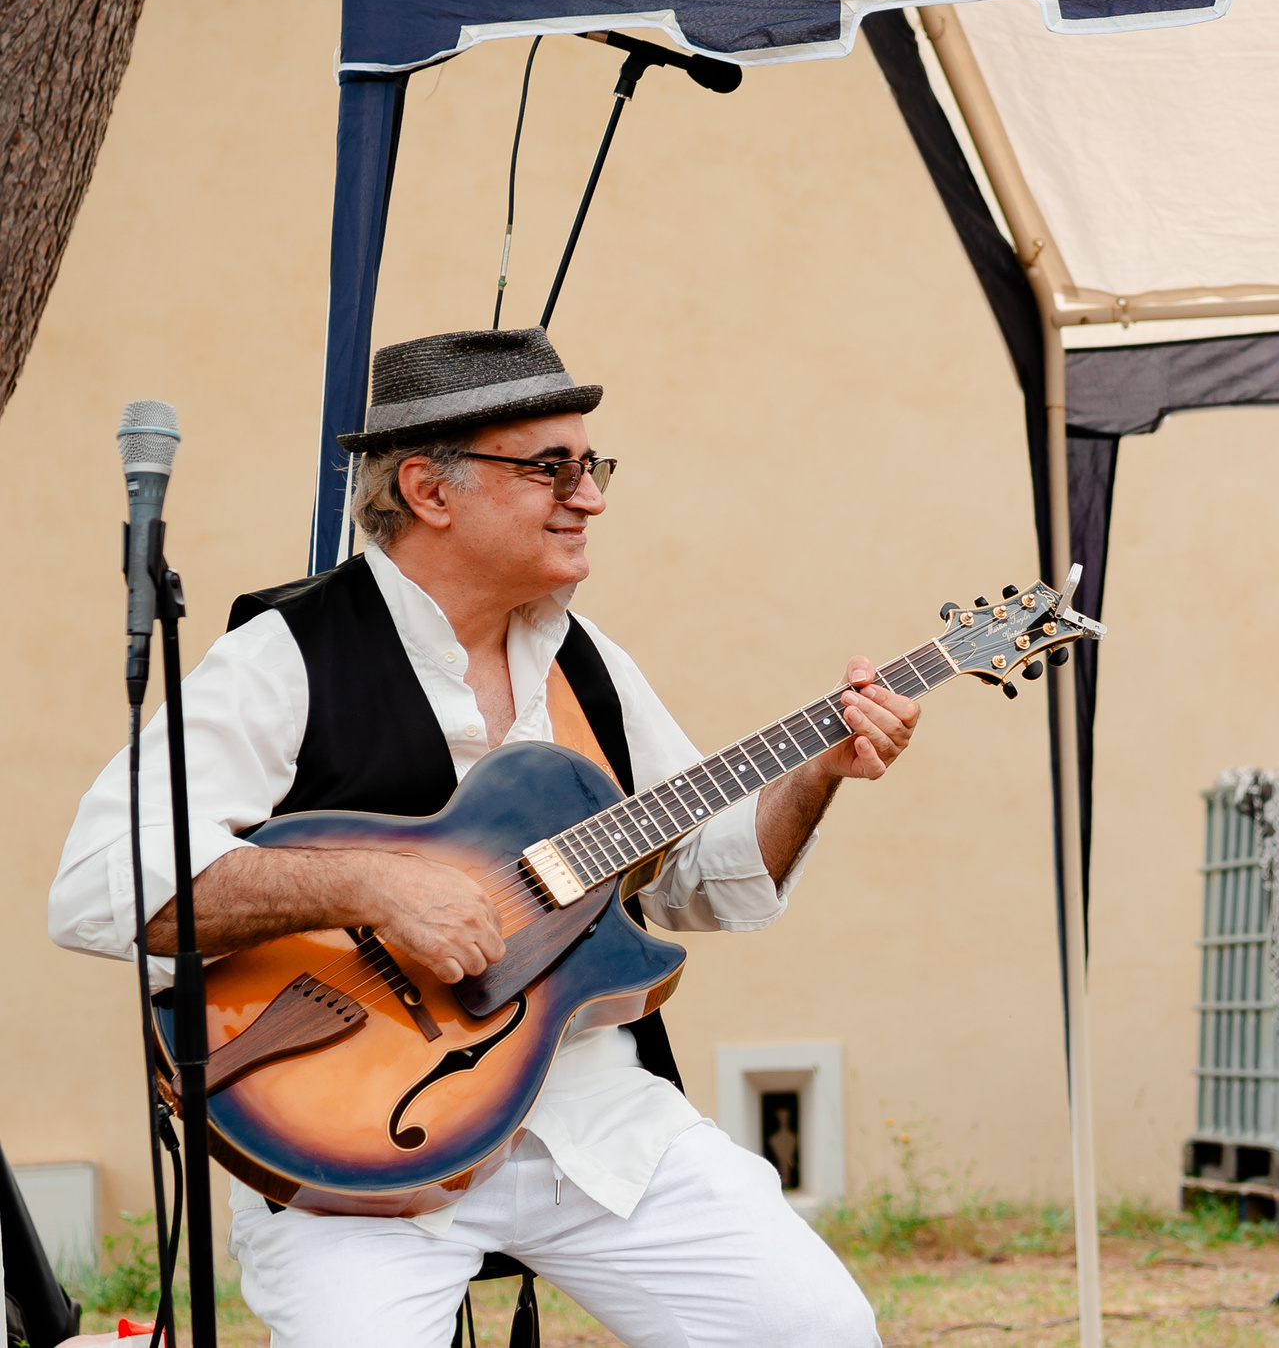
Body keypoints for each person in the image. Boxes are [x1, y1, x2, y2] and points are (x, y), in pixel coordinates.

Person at [49, 327, 917, 1347]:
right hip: (353, 1150)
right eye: (551, 466)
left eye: (592, 465)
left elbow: (699, 880)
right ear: (428, 488)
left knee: (818, 1329)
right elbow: (104, 884)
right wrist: (369, 887)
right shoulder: (286, 655)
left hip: (590, 1117)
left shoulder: (584, 658)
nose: (588, 495)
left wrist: (816, 772)